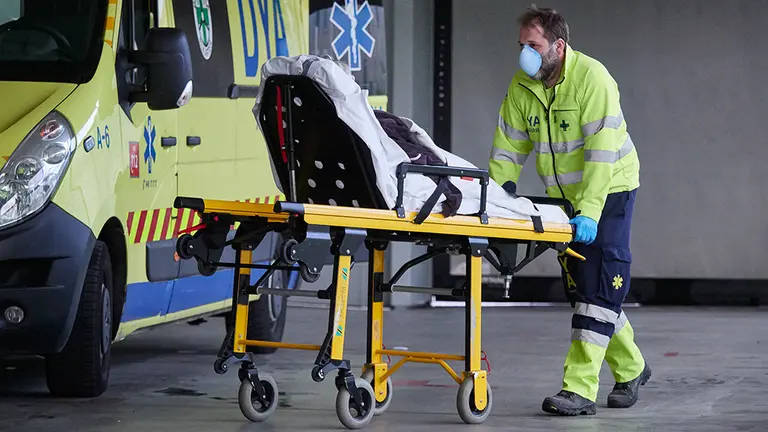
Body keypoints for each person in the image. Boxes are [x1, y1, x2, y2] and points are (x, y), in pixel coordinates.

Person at [488, 5, 651, 416]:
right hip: (565, 197)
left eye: (534, 45)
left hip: (610, 189)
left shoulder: (592, 79)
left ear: (558, 46)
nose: (526, 53)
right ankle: (632, 368)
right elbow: (508, 146)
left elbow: (601, 154)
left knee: (598, 287)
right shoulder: (523, 85)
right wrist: (496, 199)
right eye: (522, 45)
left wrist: (591, 213)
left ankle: (578, 390)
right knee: (583, 289)